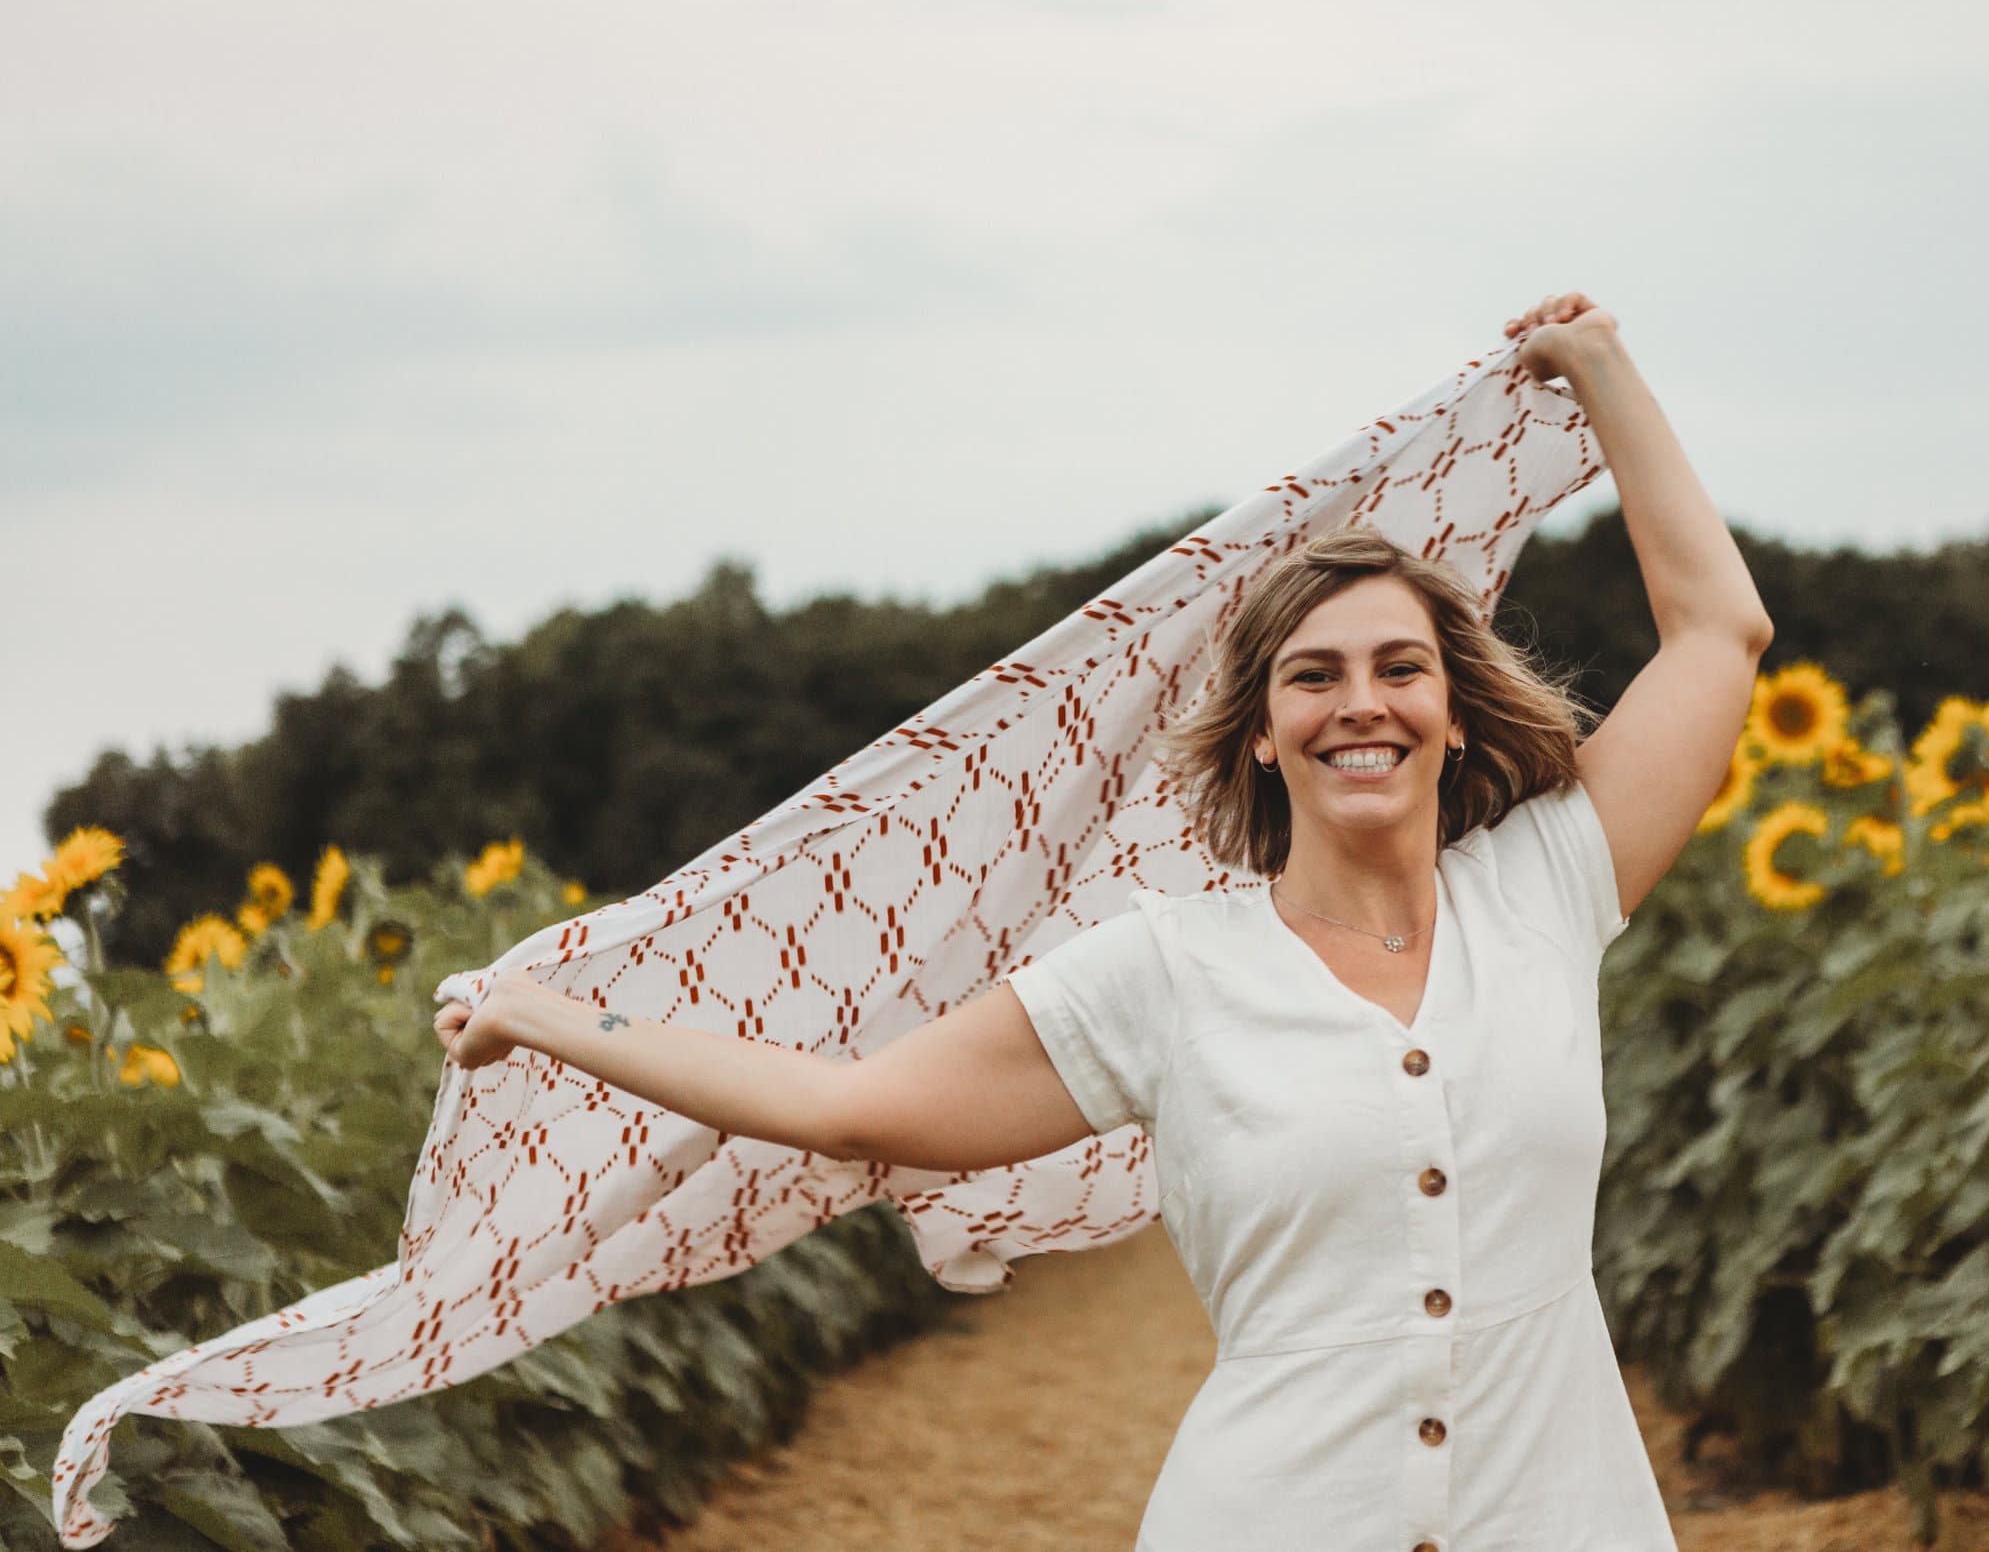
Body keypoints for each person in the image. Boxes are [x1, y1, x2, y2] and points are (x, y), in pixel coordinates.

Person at [434, 291, 1774, 1550]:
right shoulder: (1164, 973)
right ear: (1259, 734)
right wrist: (559, 1017)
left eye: (1399, 668)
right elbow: (852, 1109)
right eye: (1314, 676)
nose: (1360, 702)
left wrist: (1604, 373)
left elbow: (1719, 629)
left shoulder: (1549, 885)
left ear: (1454, 707)